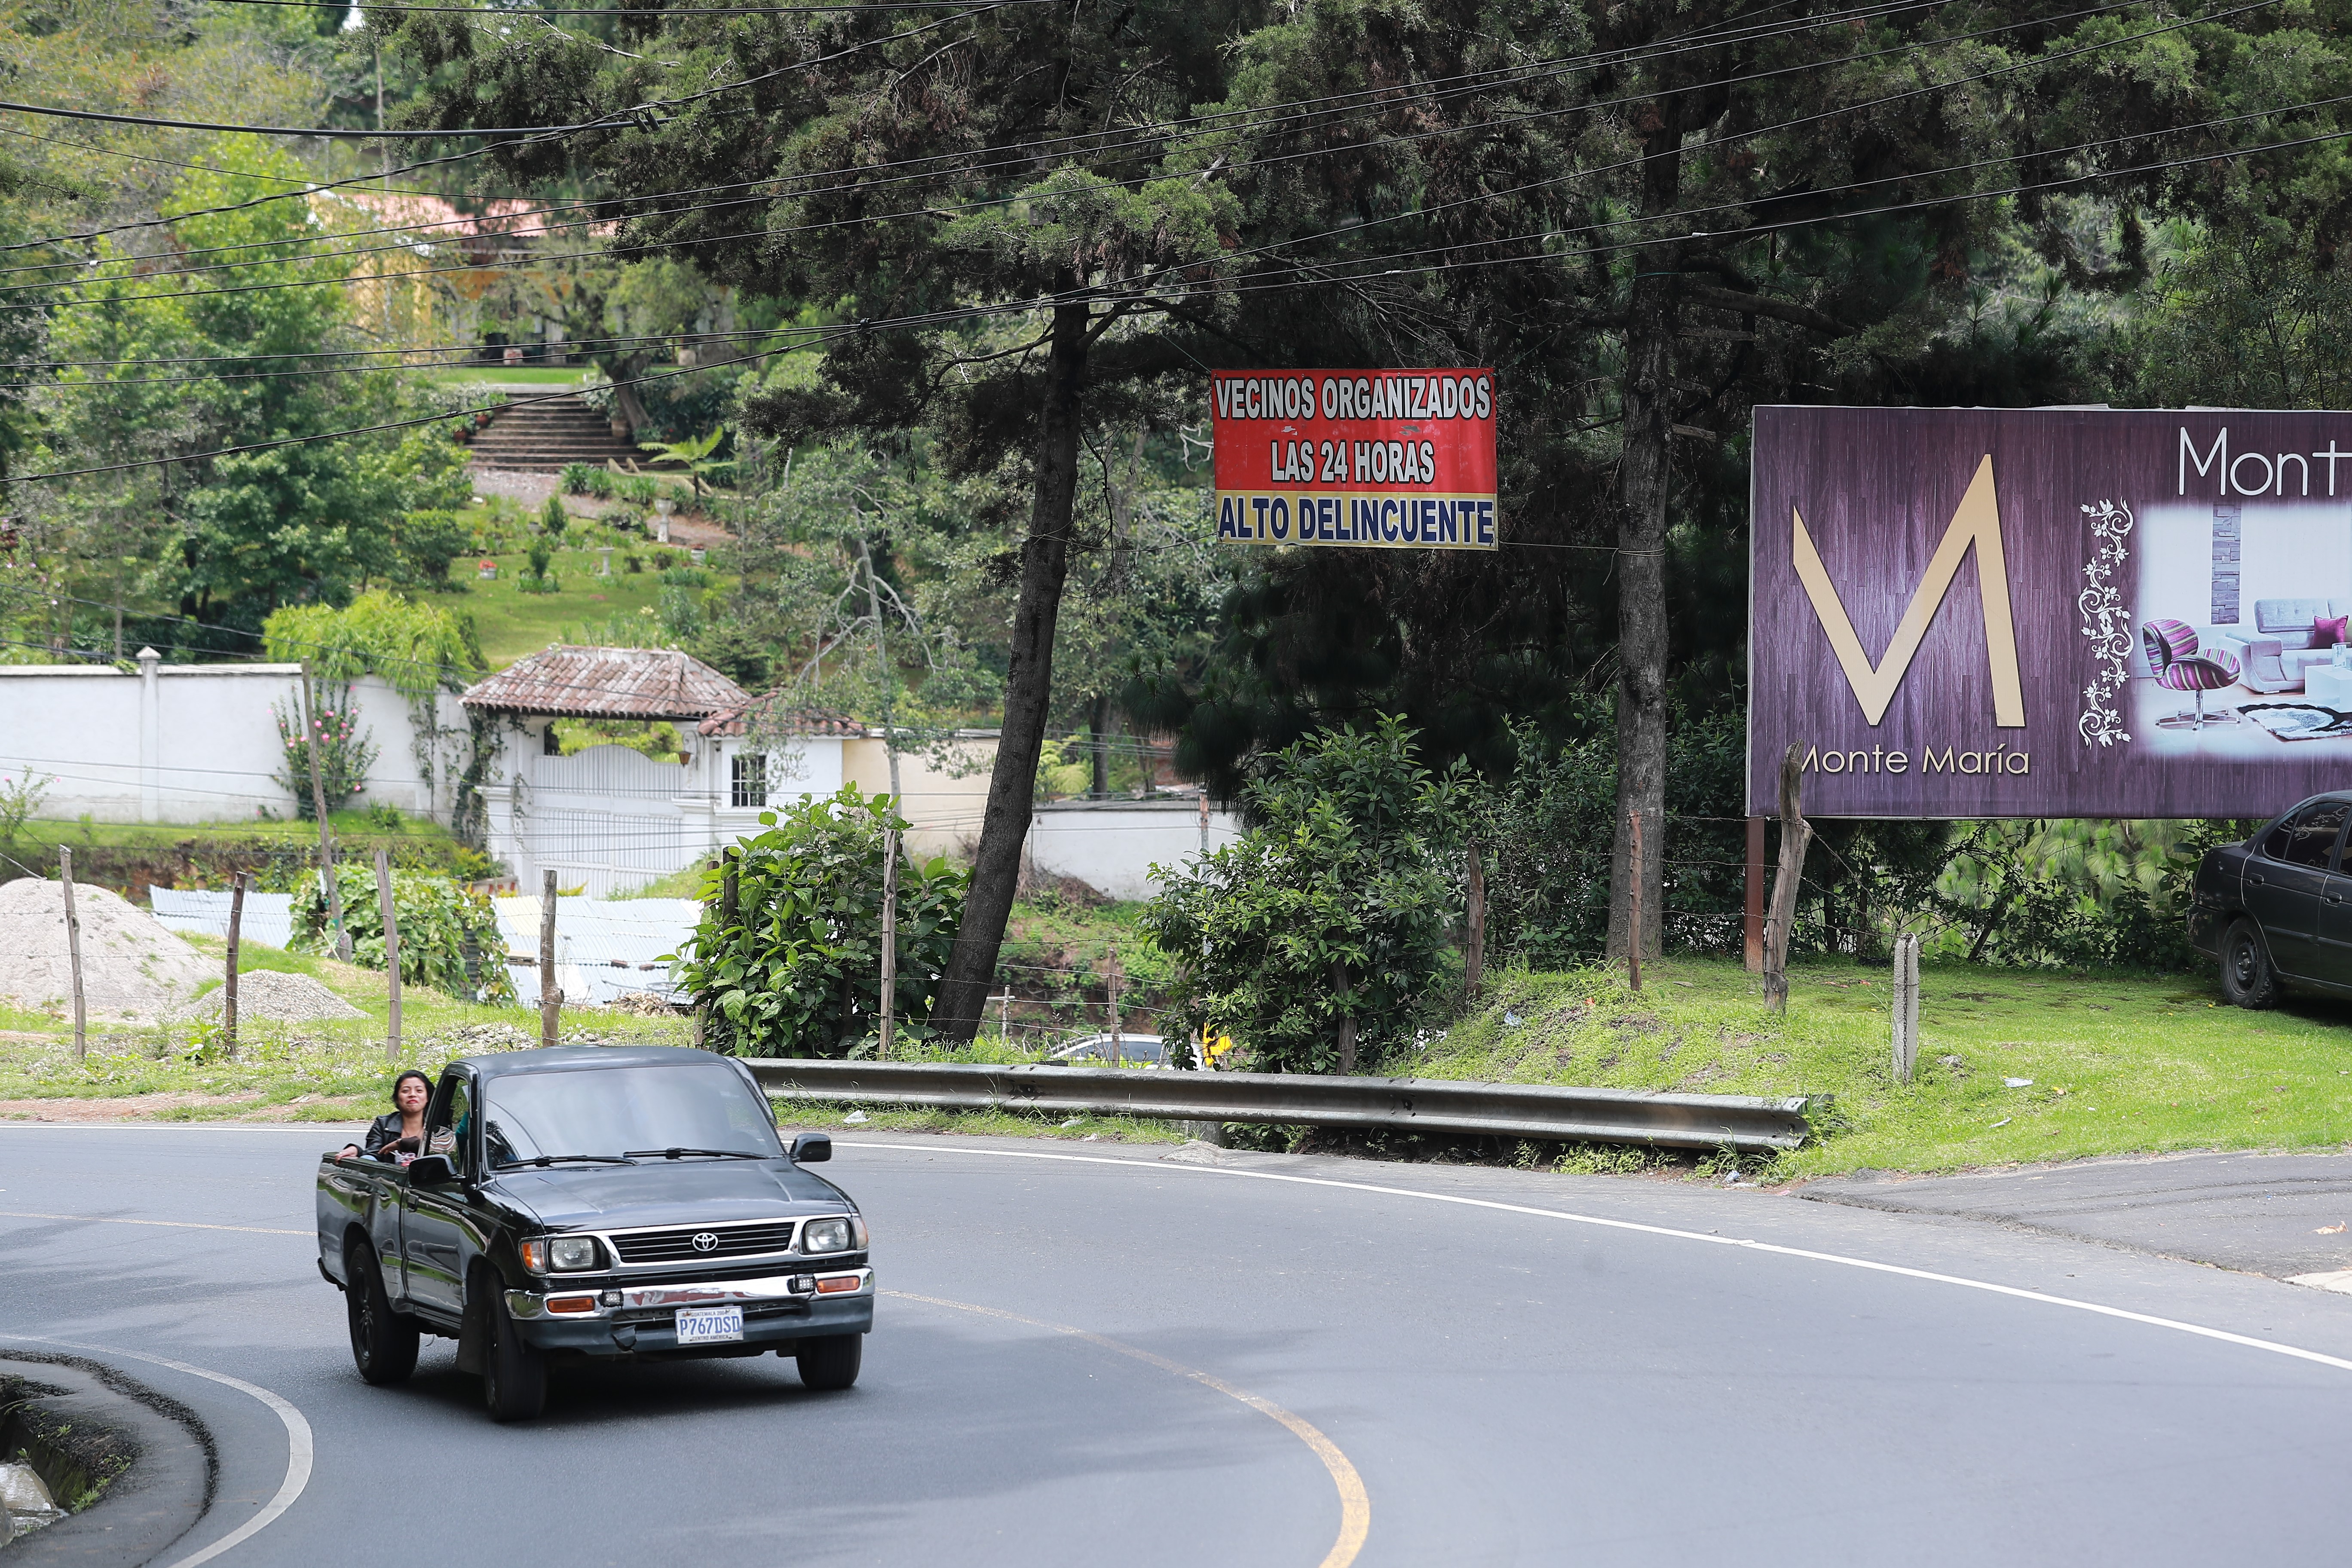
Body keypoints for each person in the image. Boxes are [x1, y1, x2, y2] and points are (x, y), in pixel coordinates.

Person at [341, 1070, 432, 1165]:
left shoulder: (439, 1124)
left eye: (419, 1091)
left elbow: (444, 1151)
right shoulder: (383, 1124)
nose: (412, 1095)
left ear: (428, 1097)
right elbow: (373, 1155)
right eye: (406, 1091)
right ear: (397, 1098)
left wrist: (404, 1144)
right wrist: (357, 1151)